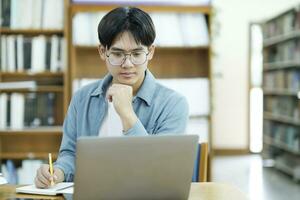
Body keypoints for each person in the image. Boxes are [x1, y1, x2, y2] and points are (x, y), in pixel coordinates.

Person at [35, 6, 189, 188]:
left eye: (137, 54)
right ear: (102, 52)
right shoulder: (82, 99)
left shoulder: (173, 104)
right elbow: (70, 154)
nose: (128, 64)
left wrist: (127, 114)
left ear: (151, 52)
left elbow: (159, 171)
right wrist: (57, 173)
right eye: (117, 54)